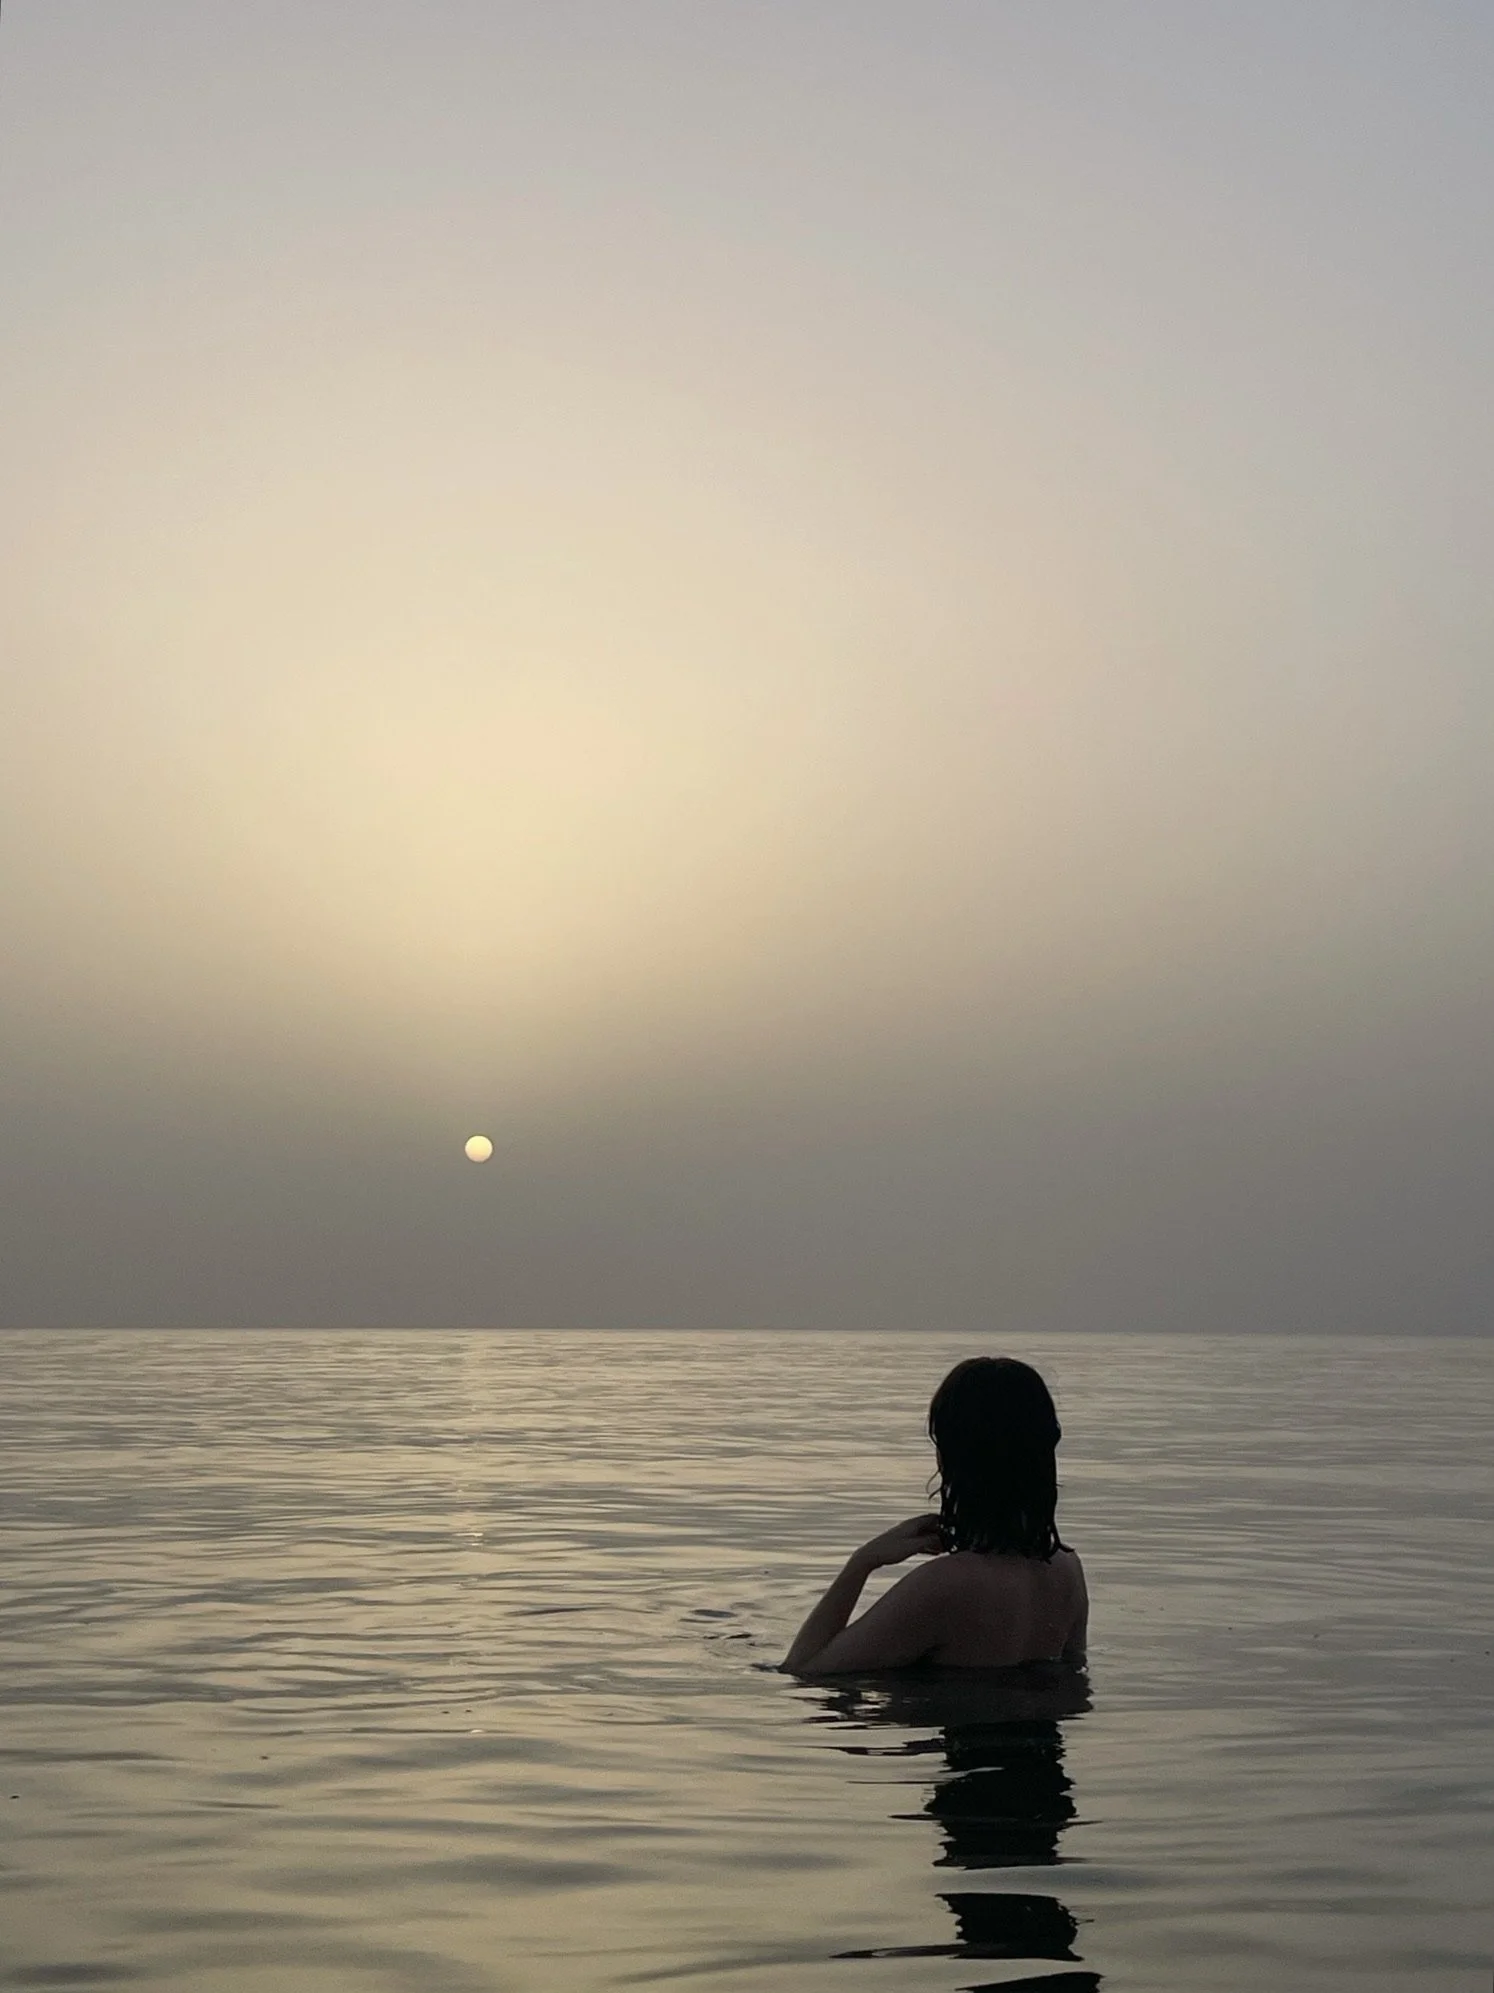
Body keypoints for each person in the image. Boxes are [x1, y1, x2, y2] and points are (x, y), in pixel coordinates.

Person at [782, 1356, 1088, 1675]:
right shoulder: (1067, 1570)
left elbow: (804, 1669)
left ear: (956, 1458)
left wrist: (862, 1562)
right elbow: (1074, 1676)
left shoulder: (944, 1584)